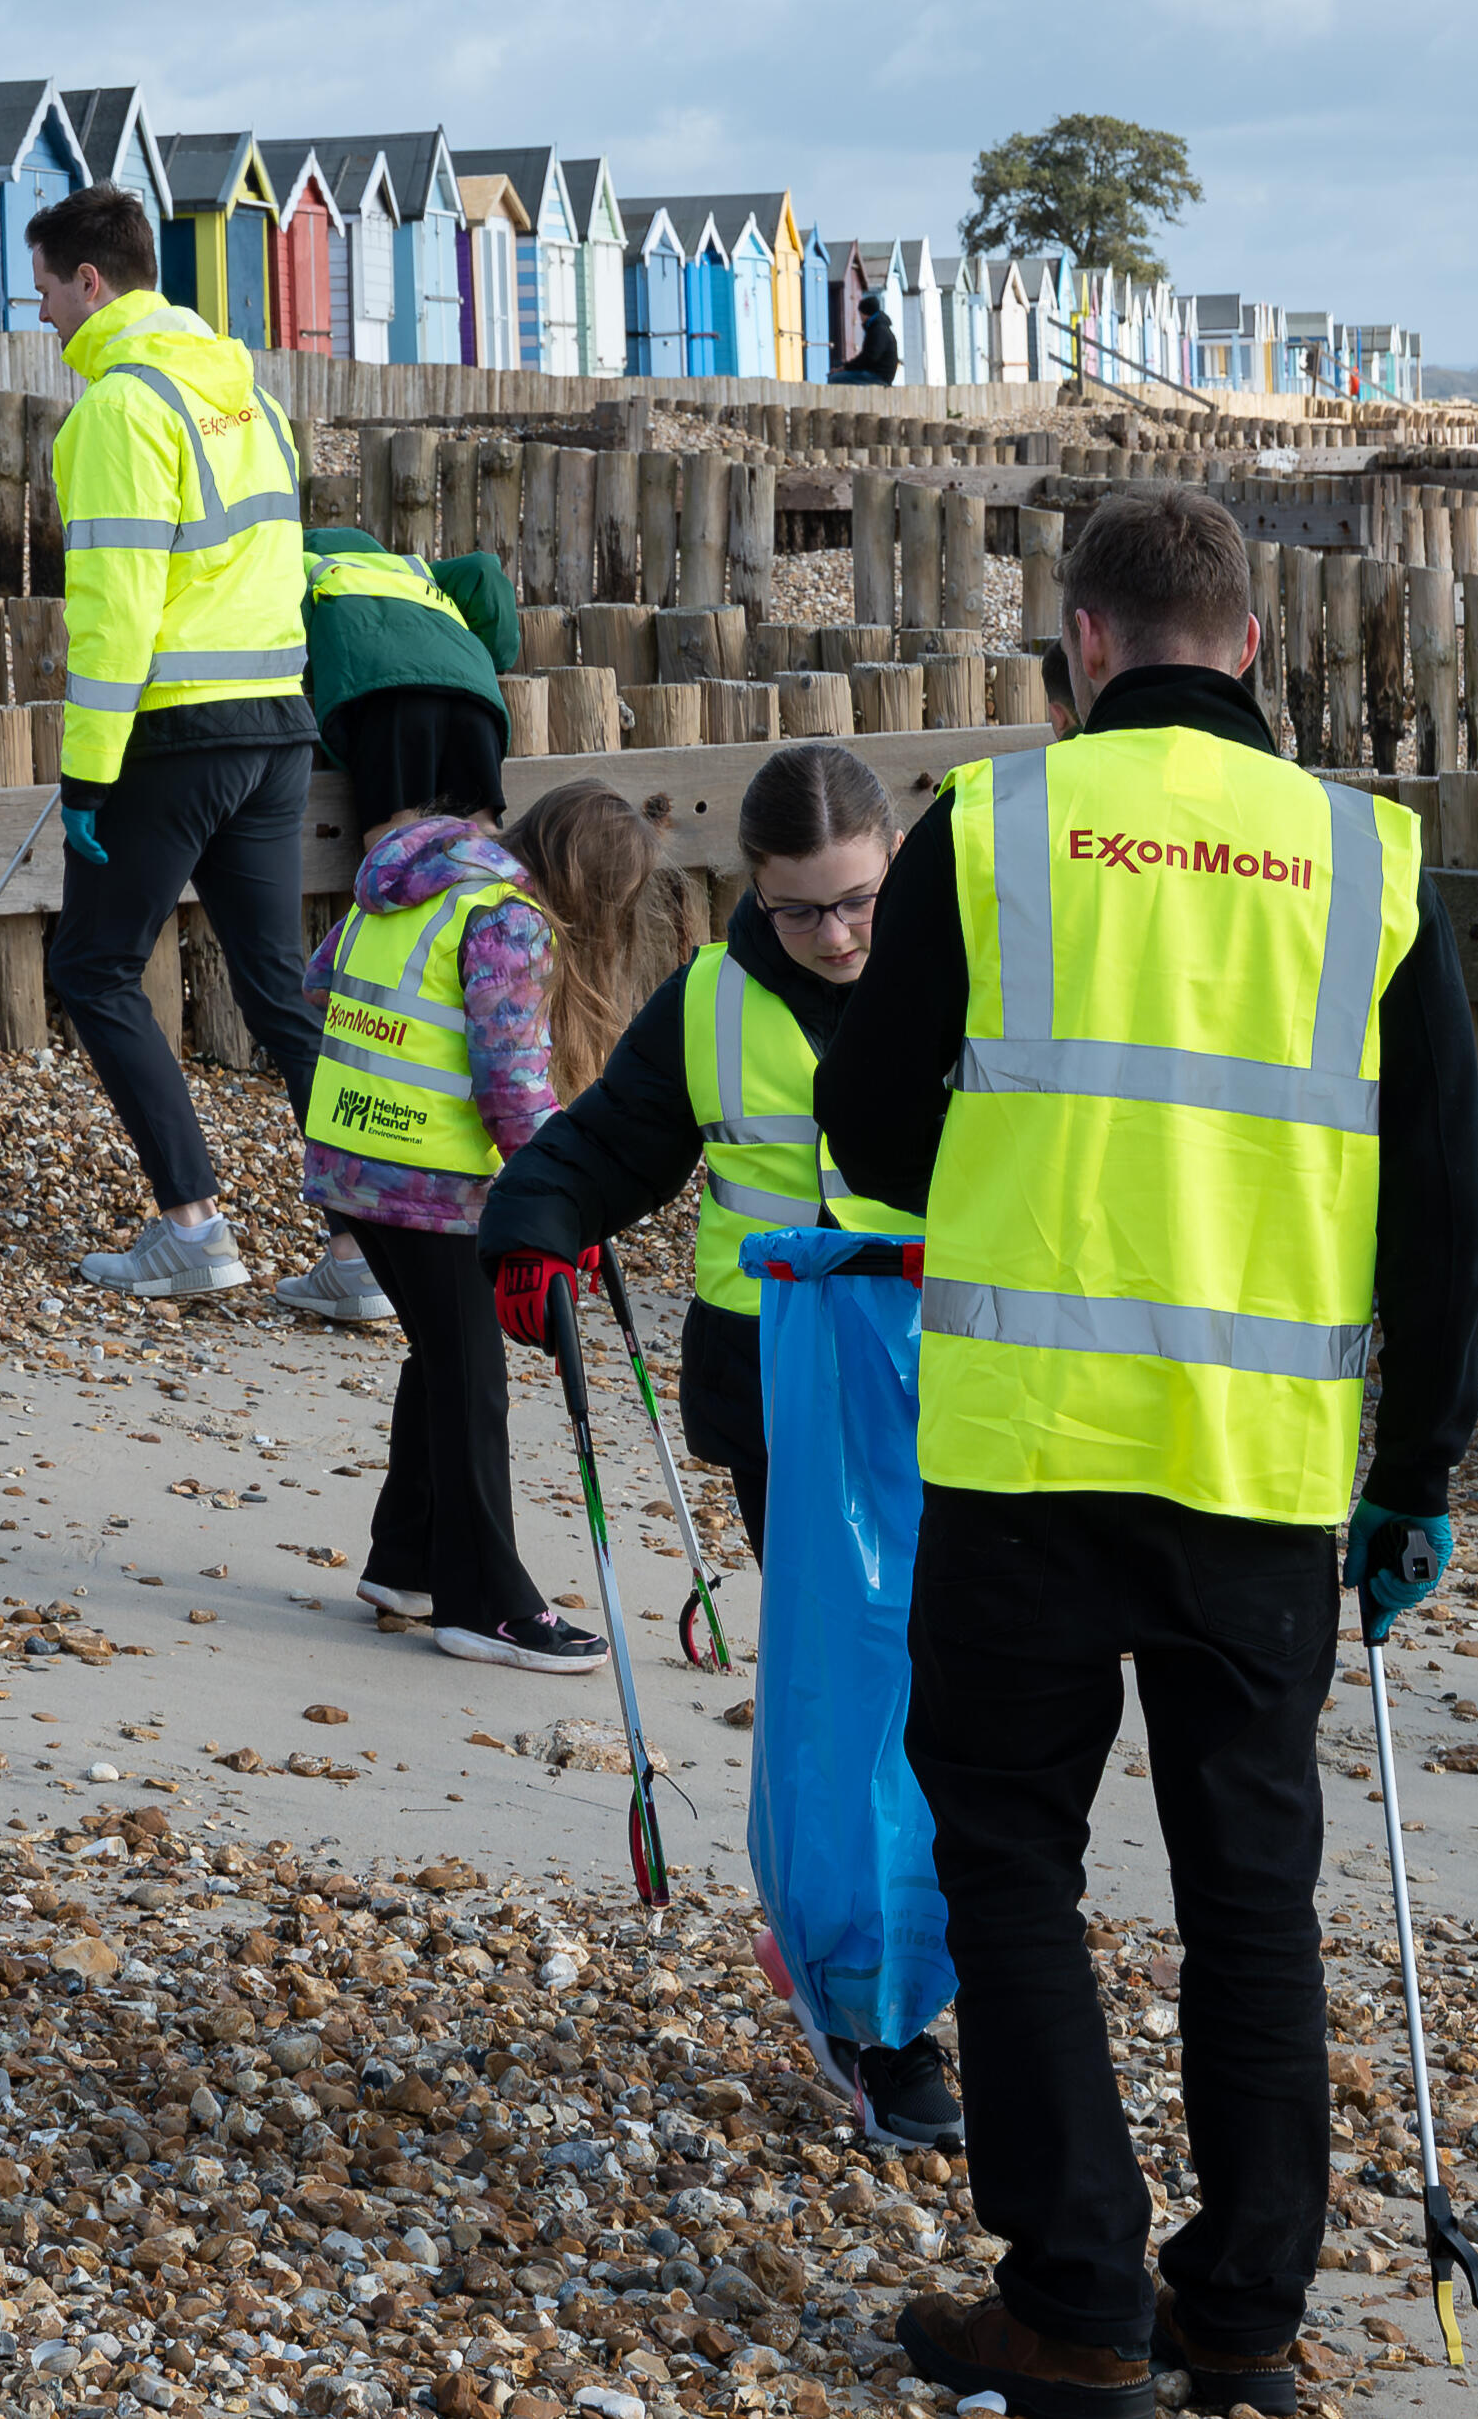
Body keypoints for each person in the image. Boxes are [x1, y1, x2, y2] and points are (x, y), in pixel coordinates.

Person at [820, 486, 1478, 2419]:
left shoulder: (998, 829)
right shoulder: (1366, 857)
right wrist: (1419, 1471)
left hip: (1027, 1452)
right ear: (1250, 647)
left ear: (1084, 642)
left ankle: (1077, 2299)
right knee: (1247, 1890)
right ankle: (1246, 2311)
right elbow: (1442, 1194)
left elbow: (868, 1128)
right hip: (1259, 1475)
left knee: (1014, 1862)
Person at [482, 739, 959, 2150]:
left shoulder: (964, 978)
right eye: (803, 909)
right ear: (751, 891)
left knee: (946, 1698)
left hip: (954, 1382)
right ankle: (876, 2012)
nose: (838, 935)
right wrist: (529, 1226)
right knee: (848, 1705)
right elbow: (606, 1144)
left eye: (860, 900)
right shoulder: (707, 1004)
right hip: (781, 1394)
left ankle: (905, 1948)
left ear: (893, 862)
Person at [30, 182, 327, 1300]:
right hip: (277, 720)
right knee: (274, 982)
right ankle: (362, 1246)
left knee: (94, 966)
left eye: (47, 290)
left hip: (177, 727)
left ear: (90, 279)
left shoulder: (118, 408)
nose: (45, 315)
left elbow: (114, 610)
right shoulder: (246, 394)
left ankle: (192, 1226)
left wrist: (84, 778)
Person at [311, 781, 657, 1673]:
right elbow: (510, 1083)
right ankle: (485, 1606)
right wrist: (560, 1189)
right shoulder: (507, 918)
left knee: (440, 1356)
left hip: (349, 1160)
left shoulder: (409, 883)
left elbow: (320, 981)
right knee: (473, 1383)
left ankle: (407, 1562)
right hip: (429, 1180)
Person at [262, 516, 523, 1326]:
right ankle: (481, 997)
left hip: (383, 702)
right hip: (474, 697)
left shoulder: (305, 564)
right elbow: (484, 571)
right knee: (469, 863)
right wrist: (478, 657)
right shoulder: (416, 570)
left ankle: (358, 1250)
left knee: (398, 868)